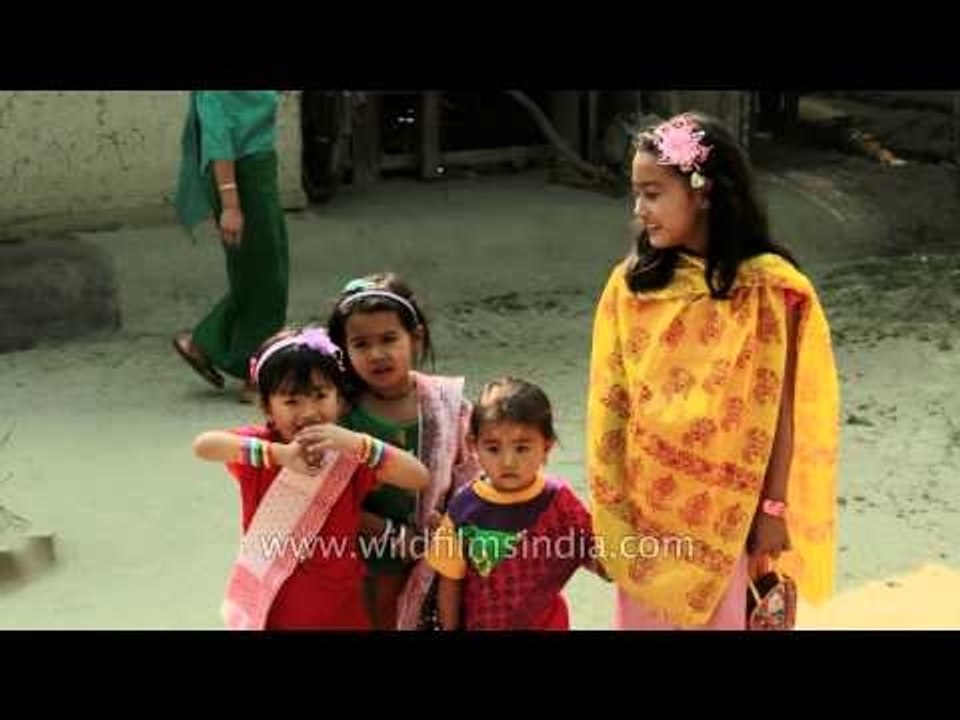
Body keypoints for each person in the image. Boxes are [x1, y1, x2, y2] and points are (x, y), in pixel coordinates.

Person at [587, 111, 839, 629]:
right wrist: (612, 514)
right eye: (636, 194)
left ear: (702, 190)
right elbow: (609, 403)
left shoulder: (771, 290)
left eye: (653, 193)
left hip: (731, 516)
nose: (639, 210)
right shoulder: (631, 287)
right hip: (648, 517)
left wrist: (772, 511)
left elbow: (780, 412)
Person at [192, 326, 429, 629]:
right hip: (275, 604)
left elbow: (417, 477)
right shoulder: (262, 449)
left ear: (339, 400)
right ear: (267, 406)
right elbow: (205, 446)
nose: (308, 412)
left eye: (320, 396)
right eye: (292, 401)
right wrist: (279, 455)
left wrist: (357, 444)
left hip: (341, 608)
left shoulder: (350, 453)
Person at [327, 272, 479, 629]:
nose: (377, 354)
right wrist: (388, 534)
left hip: (441, 549)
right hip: (367, 554)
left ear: (415, 338)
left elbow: (473, 475)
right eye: (361, 344)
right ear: (344, 351)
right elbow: (329, 495)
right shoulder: (342, 416)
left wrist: (450, 529)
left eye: (389, 339)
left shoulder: (450, 406)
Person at [427, 378, 606, 630]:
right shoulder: (464, 508)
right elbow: (450, 580)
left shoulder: (559, 501)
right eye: (493, 448)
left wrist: (618, 566)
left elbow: (593, 554)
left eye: (522, 448)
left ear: (546, 447)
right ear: (473, 446)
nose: (508, 461)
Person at [172, 91, 289, 398]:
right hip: (239, 177)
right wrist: (231, 204)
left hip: (258, 168)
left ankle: (204, 343)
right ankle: (255, 372)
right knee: (263, 278)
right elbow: (217, 141)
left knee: (264, 272)